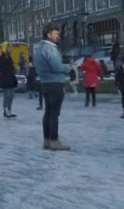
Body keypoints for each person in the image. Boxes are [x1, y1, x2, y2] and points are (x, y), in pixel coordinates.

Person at [33, 23, 72, 151]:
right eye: (56, 34)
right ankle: (54, 141)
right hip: (55, 83)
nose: (58, 36)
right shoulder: (50, 49)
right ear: (48, 34)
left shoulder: (39, 49)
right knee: (55, 113)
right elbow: (57, 67)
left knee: (48, 112)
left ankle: (47, 140)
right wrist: (68, 67)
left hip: (44, 83)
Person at [0, 42, 18, 119]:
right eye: (8, 47)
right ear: (5, 48)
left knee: (12, 96)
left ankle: (9, 110)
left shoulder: (9, 57)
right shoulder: (1, 58)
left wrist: (14, 70)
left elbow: (10, 68)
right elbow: (0, 69)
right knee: (7, 95)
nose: (10, 49)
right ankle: (6, 110)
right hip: (5, 80)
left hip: (11, 79)